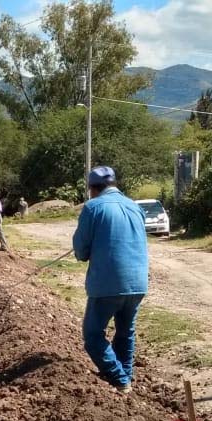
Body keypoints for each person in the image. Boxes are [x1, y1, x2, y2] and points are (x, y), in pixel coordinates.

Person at [72, 166, 148, 394]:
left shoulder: (92, 207)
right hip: (137, 283)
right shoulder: (135, 207)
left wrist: (84, 250)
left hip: (108, 283)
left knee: (93, 334)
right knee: (126, 332)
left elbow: (81, 251)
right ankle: (126, 380)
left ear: (93, 188)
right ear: (114, 184)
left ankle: (119, 378)